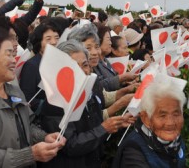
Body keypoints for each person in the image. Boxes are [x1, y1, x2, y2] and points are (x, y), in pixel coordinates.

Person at [0, 23, 66, 168]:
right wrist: (30, 155)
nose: (14, 61)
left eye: (13, 55)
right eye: (8, 54)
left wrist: (44, 137)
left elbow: (28, 125)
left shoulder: (15, 91)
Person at [41, 39, 136, 168]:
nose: (82, 71)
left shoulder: (91, 87)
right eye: (74, 67)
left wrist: (116, 123)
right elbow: (70, 145)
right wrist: (104, 128)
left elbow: (92, 124)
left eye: (85, 65)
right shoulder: (55, 102)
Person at [112, 81, 189, 168]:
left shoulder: (174, 141)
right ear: (146, 118)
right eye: (162, 115)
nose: (170, 123)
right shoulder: (133, 151)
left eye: (176, 114)